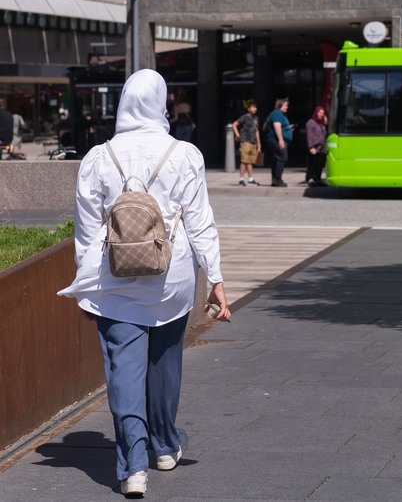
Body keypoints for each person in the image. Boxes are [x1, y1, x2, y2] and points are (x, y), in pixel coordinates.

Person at [57, 69, 231, 497]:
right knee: (165, 363)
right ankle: (166, 445)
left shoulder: (99, 156)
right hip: (171, 275)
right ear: (161, 103)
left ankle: (133, 465)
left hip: (114, 276)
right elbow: (200, 221)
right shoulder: (184, 153)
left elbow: (86, 229)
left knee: (123, 369)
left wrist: (85, 281)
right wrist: (217, 279)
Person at [265, 97, 294, 187]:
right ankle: (277, 179)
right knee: (282, 157)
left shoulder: (279, 114)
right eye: (285, 105)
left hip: (276, 139)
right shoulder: (277, 114)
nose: (287, 107)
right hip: (276, 139)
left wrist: (288, 128)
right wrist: (281, 140)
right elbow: (277, 126)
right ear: (280, 105)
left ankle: (275, 179)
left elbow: (281, 127)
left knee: (278, 158)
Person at [232, 100, 261, 186]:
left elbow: (257, 130)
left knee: (250, 161)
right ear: (248, 109)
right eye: (253, 107)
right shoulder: (244, 117)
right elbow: (234, 124)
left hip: (253, 142)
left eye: (255, 107)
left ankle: (250, 179)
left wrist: (259, 143)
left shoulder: (256, 118)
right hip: (245, 141)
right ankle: (241, 179)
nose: (255, 109)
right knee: (244, 161)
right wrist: (237, 135)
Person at [305, 106, 328, 186]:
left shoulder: (322, 124)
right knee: (312, 163)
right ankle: (310, 178)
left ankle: (317, 179)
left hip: (321, 148)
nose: (321, 115)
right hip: (314, 147)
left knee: (319, 164)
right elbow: (309, 136)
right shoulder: (311, 123)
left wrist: (325, 122)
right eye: (319, 113)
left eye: (322, 113)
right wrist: (311, 147)